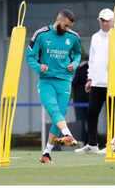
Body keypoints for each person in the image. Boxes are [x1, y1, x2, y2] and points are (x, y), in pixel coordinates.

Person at [74, 8, 115, 154]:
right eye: (102, 20)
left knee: (113, 115)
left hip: (114, 83)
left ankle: (112, 145)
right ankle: (92, 145)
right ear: (99, 21)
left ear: (112, 21)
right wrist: (90, 78)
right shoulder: (95, 37)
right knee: (91, 113)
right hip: (97, 83)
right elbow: (92, 60)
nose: (104, 23)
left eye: (107, 20)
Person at [26, 9, 82, 164]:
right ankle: (68, 133)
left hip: (65, 81)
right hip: (46, 81)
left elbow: (78, 54)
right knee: (53, 110)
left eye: (69, 27)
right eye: (65, 26)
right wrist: (39, 67)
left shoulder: (73, 37)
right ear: (58, 19)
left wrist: (74, 64)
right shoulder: (41, 34)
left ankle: (46, 154)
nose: (66, 29)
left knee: (59, 118)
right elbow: (30, 57)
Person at [71, 55, 89, 145]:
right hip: (90, 98)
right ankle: (92, 140)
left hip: (80, 99)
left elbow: (75, 82)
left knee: (81, 121)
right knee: (91, 120)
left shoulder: (81, 67)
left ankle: (84, 141)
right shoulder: (92, 68)